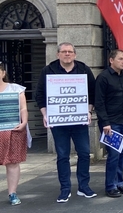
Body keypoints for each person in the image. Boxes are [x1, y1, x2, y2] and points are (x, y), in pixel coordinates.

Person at [35, 42, 97, 202]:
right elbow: (40, 94)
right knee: (62, 156)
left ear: (75, 54)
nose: (67, 54)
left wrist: (89, 111)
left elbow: (92, 92)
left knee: (84, 153)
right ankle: (65, 189)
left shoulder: (84, 69)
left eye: (70, 51)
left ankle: (84, 187)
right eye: (64, 51)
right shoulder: (48, 70)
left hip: (79, 121)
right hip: (59, 122)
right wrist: (45, 114)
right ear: (58, 54)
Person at [95, 49, 123, 198]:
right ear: (111, 60)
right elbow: (99, 102)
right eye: (121, 59)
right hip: (111, 122)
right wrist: (105, 122)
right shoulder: (103, 77)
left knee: (122, 153)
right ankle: (110, 185)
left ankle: (120, 183)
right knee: (113, 155)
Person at [0, 62, 28, 206]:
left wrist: (24, 122)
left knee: (12, 163)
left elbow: (23, 108)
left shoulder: (15, 89)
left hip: (12, 130)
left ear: (3, 73)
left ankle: (12, 193)